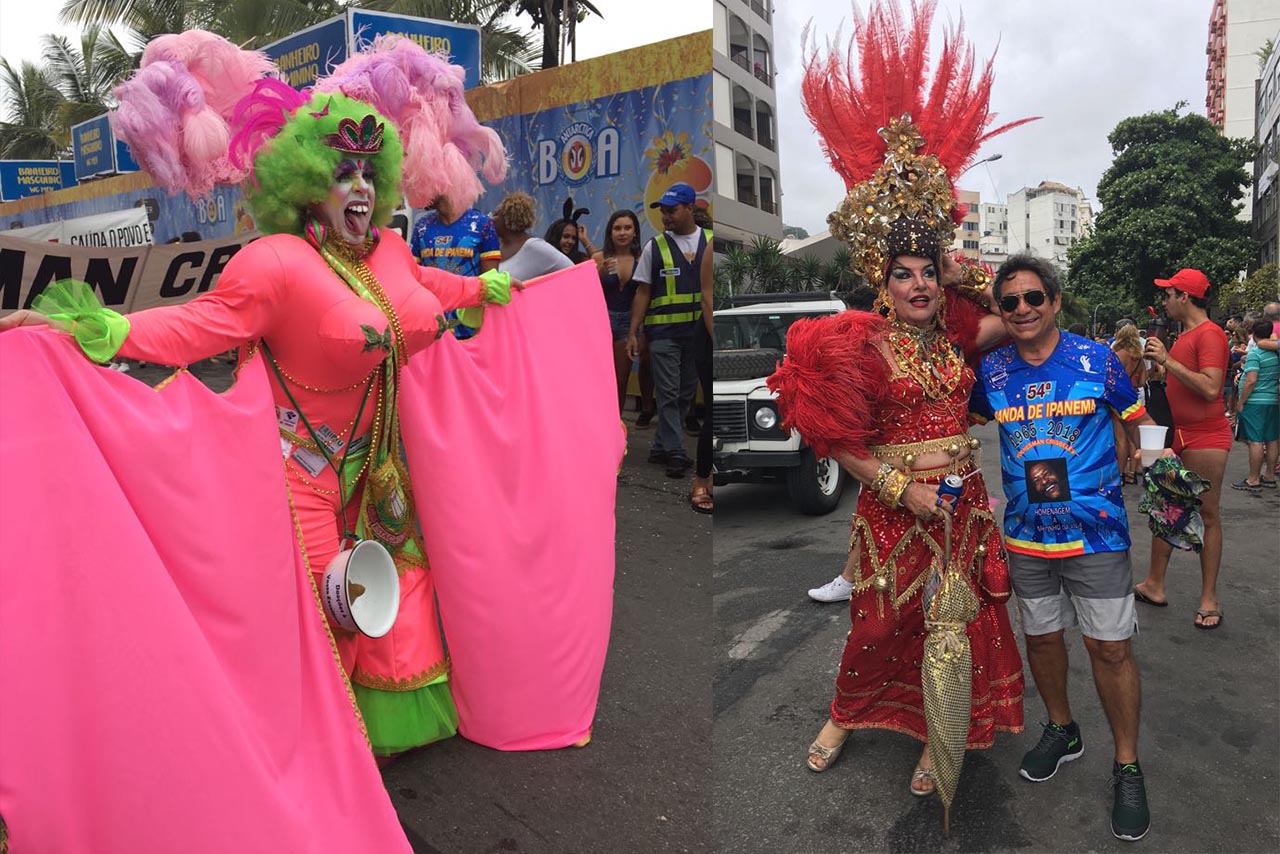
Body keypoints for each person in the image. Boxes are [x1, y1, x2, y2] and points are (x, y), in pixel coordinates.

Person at [767, 2, 1027, 827]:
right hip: (892, 507)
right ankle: (843, 716)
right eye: (903, 274)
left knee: (956, 624)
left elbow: (1020, 313)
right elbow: (835, 438)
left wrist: (962, 271)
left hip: (962, 507)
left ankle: (936, 735)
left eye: (927, 273)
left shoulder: (959, 336)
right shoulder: (858, 345)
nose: (917, 285)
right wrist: (899, 488)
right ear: (882, 283)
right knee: (878, 625)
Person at [970, 254, 1161, 842]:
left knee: (1110, 650)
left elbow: (1140, 420)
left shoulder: (1097, 360)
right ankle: (1062, 729)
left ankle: (1127, 765)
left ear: (1054, 301)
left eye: (1034, 297)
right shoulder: (992, 370)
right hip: (1027, 539)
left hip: (1097, 535)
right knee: (1042, 639)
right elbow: (951, 427)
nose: (1023, 308)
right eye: (1010, 301)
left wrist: (1160, 467)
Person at [1133, 269, 1274, 629]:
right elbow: (1183, 381)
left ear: (1185, 297)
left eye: (1169, 294)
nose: (1165, 301)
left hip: (1204, 436)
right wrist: (1161, 370)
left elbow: (1211, 388)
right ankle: (1154, 583)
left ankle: (1209, 598)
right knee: (1166, 508)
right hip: (1178, 433)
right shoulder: (1185, 335)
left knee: (1207, 514)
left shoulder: (1209, 334)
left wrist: (1167, 361)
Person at [627, 182, 710, 478]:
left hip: (696, 335)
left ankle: (660, 446)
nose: (666, 216)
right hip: (663, 333)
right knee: (668, 393)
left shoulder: (710, 242)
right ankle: (676, 451)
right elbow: (643, 292)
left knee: (685, 394)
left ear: (690, 208)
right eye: (663, 211)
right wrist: (634, 331)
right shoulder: (656, 246)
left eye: (672, 210)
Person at [409, 196, 501, 339]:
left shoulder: (482, 224)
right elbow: (413, 280)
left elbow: (490, 283)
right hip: (433, 330)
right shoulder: (422, 226)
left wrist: (481, 334)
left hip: (469, 330)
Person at [593, 209, 654, 420]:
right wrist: (599, 274)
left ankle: (615, 424)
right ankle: (597, 423)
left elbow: (646, 294)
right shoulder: (598, 258)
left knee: (621, 379)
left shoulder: (642, 258)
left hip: (628, 322)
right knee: (598, 378)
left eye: (627, 228)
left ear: (635, 232)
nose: (622, 233)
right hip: (601, 321)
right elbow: (584, 294)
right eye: (617, 228)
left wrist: (637, 331)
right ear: (610, 232)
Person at [1232, 319, 1280, 491]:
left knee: (1255, 441)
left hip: (1254, 402)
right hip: (1271, 400)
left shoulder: (1255, 353)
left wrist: (1241, 402)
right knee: (1272, 439)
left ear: (1253, 334)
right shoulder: (1275, 354)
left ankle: (1253, 479)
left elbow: (1251, 380)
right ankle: (1269, 476)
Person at [492, 192, 574, 280]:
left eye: (496, 215)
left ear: (509, 217)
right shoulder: (495, 247)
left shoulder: (535, 246)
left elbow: (573, 270)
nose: (491, 219)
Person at [1111, 323, 1147, 483]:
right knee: (1132, 438)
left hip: (1119, 400)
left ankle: (1120, 474)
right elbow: (1142, 381)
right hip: (1135, 398)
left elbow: (1112, 379)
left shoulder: (1118, 355)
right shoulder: (1139, 358)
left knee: (1120, 440)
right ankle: (1132, 472)